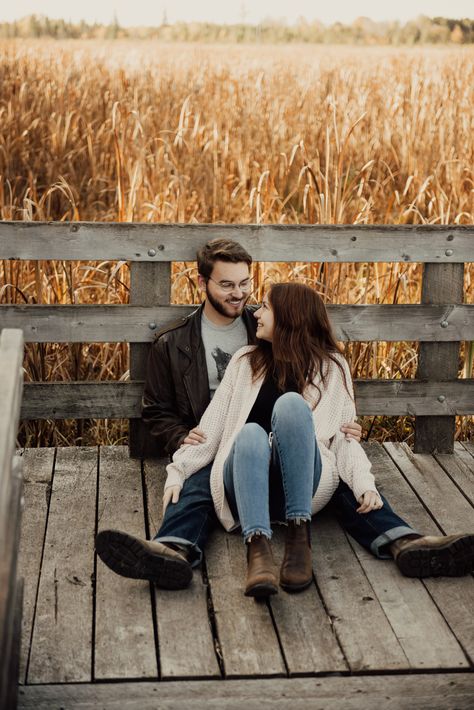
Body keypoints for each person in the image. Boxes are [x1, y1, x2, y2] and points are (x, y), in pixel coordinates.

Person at [96, 239, 362, 588]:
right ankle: (173, 552)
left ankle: (400, 539)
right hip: (213, 435)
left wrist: (342, 425)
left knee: (347, 483)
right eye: (226, 285)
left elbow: (308, 360)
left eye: (245, 284)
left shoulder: (264, 325)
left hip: (280, 436)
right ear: (202, 282)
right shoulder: (172, 342)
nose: (240, 295)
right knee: (195, 486)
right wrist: (181, 438)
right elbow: (157, 409)